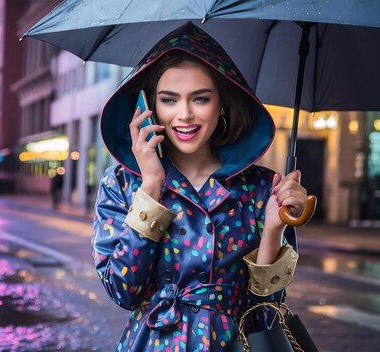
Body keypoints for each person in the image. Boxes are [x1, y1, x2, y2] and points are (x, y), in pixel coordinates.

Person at [92, 22, 307, 352]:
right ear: (148, 107)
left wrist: (273, 230)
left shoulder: (262, 188)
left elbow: (265, 310)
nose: (185, 115)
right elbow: (123, 291)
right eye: (169, 99)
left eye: (200, 99)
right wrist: (151, 186)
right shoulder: (122, 183)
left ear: (221, 103)